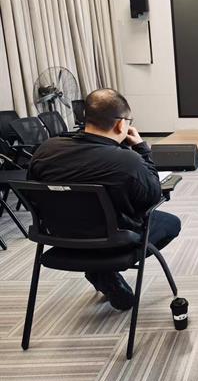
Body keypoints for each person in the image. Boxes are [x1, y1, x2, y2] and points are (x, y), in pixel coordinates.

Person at [28, 89, 181, 310]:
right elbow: (151, 197)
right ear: (121, 124)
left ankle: (102, 272)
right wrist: (141, 149)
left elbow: (32, 194)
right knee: (170, 223)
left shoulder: (45, 150)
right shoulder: (127, 161)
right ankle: (103, 269)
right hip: (112, 242)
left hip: (59, 238)